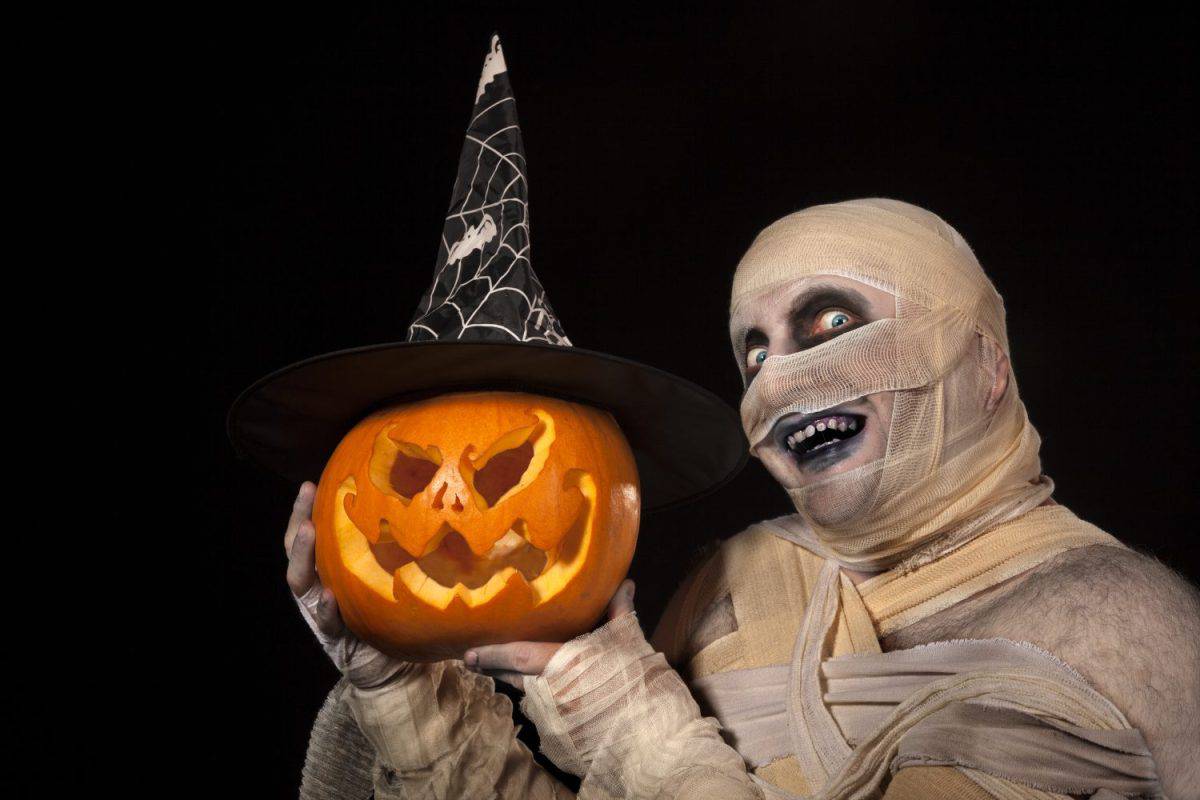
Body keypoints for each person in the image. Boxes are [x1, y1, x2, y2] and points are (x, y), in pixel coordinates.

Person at [285, 199, 1198, 799]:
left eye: (831, 325)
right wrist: (401, 687)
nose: (783, 381)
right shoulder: (731, 587)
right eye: (755, 352)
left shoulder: (1131, 622)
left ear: (986, 366)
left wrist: (629, 713)